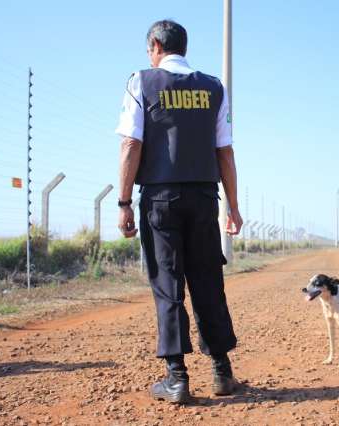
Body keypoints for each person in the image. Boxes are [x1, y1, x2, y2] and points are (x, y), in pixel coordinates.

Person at [115, 19, 243, 404]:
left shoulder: (141, 81)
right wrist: (233, 207)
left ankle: (177, 378)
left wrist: (123, 203)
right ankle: (221, 371)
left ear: (155, 45)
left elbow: (130, 146)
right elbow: (226, 152)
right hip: (204, 198)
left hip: (160, 198)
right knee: (207, 281)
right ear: (182, 48)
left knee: (168, 284)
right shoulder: (214, 88)